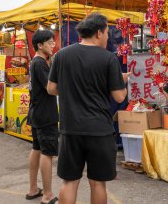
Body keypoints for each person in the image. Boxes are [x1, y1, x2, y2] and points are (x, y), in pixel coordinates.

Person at [47, 13, 129, 204]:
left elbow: (51, 89)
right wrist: (121, 81)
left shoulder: (62, 55)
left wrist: (71, 90)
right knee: (98, 183)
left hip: (70, 129)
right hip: (99, 130)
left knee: (69, 182)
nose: (108, 37)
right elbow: (119, 96)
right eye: (107, 33)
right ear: (99, 33)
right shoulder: (108, 58)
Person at [26, 30, 59, 204]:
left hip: (36, 112)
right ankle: (47, 195)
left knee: (37, 149)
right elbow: (51, 88)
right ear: (40, 45)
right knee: (47, 153)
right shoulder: (40, 63)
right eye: (50, 42)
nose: (53, 45)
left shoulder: (36, 62)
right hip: (45, 114)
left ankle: (33, 189)